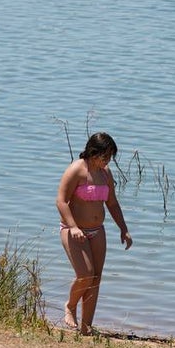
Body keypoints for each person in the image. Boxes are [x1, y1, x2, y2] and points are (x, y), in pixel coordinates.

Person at [56, 132, 132, 335]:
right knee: (85, 275)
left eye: (110, 157)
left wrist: (124, 229)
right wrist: (73, 227)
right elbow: (61, 201)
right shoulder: (76, 170)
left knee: (96, 278)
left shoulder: (105, 173)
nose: (107, 161)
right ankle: (70, 305)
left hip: (97, 231)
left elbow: (112, 203)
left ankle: (86, 327)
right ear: (92, 152)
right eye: (104, 156)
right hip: (73, 230)